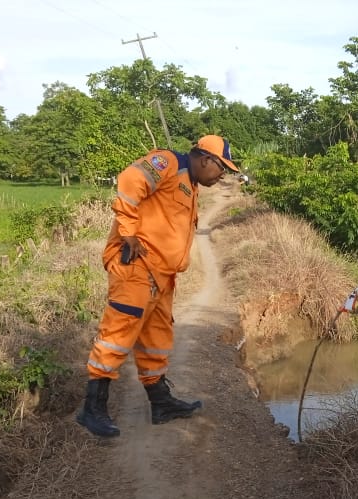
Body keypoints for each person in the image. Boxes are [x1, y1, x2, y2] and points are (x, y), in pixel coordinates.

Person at [76, 134, 239, 437]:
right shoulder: (167, 163)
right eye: (222, 168)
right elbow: (129, 180)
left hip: (162, 276)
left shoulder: (190, 183)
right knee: (117, 335)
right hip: (136, 269)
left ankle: (161, 403)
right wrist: (127, 232)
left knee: (156, 340)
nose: (222, 176)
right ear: (206, 160)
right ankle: (92, 408)